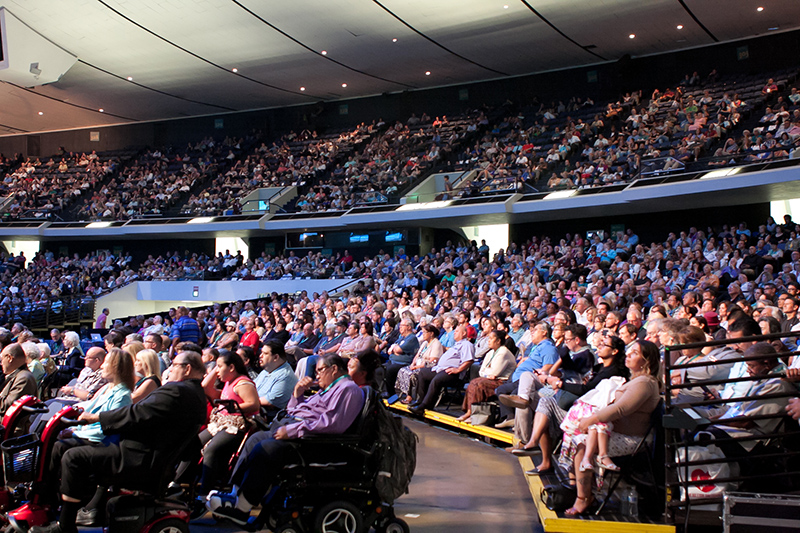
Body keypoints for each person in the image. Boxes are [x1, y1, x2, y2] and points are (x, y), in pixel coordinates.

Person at [30, 351, 208, 533]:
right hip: (148, 456)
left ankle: (65, 525)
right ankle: (53, 505)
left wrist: (97, 418)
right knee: (64, 448)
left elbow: (136, 412)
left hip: (138, 458)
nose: (169, 369)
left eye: (174, 365)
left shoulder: (178, 391)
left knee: (74, 457)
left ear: (187, 369)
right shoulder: (196, 394)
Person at [205, 354, 365, 525]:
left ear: (334, 369)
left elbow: (332, 424)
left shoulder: (348, 389)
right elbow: (295, 411)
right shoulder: (327, 389)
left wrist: (292, 431)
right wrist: (297, 394)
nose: (316, 375)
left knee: (267, 448)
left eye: (320, 370)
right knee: (255, 438)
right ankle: (235, 495)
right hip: (295, 429)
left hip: (316, 443)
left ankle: (243, 506)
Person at [562, 339, 661, 516]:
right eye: (630, 351)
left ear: (646, 361)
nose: (628, 355)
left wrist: (591, 419)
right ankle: (581, 490)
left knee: (582, 442)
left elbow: (620, 409)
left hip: (632, 439)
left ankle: (583, 497)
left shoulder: (645, 383)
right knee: (579, 436)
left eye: (635, 353)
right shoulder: (635, 380)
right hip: (616, 432)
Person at [196, 351, 260, 497]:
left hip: (237, 425)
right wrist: (217, 367)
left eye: (219, 367)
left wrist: (234, 407)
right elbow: (205, 387)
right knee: (195, 443)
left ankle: (205, 493)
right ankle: (180, 482)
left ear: (231, 367)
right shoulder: (228, 382)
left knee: (210, 450)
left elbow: (254, 404)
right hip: (221, 423)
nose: (217, 371)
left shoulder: (243, 383)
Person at [408, 325, 475, 416]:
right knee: (422, 373)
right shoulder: (455, 345)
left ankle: (425, 406)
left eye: (457, 331)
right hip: (440, 369)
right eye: (454, 331)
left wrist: (458, 369)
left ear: (463, 333)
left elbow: (469, 360)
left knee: (437, 380)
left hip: (453, 373)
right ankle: (419, 401)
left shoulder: (467, 345)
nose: (454, 333)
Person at [457, 330, 516, 422]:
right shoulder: (490, 352)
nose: (488, 340)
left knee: (478, 384)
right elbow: (481, 371)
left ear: (498, 341)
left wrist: (487, 373)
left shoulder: (504, 352)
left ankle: (473, 413)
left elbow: (495, 373)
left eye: (491, 338)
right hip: (490, 379)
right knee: (474, 382)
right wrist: (487, 374)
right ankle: (470, 412)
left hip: (502, 382)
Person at [395, 325, 443, 403]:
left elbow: (432, 361)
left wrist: (416, 367)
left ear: (431, 333)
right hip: (418, 365)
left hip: (428, 367)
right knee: (402, 370)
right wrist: (413, 364)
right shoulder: (424, 343)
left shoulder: (436, 344)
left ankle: (410, 397)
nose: (423, 334)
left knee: (412, 374)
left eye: (425, 332)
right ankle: (405, 393)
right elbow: (417, 355)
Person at [253, 341, 297, 410]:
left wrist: (247, 401)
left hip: (265, 413)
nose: (260, 356)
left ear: (276, 357)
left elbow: (268, 402)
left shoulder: (285, 376)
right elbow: (251, 387)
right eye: (261, 352)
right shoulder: (267, 370)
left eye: (265, 353)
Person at [0, 343, 38, 413]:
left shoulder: (24, 378)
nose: (1, 363)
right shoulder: (19, 375)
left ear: (9, 358)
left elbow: (7, 407)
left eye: (2, 360)